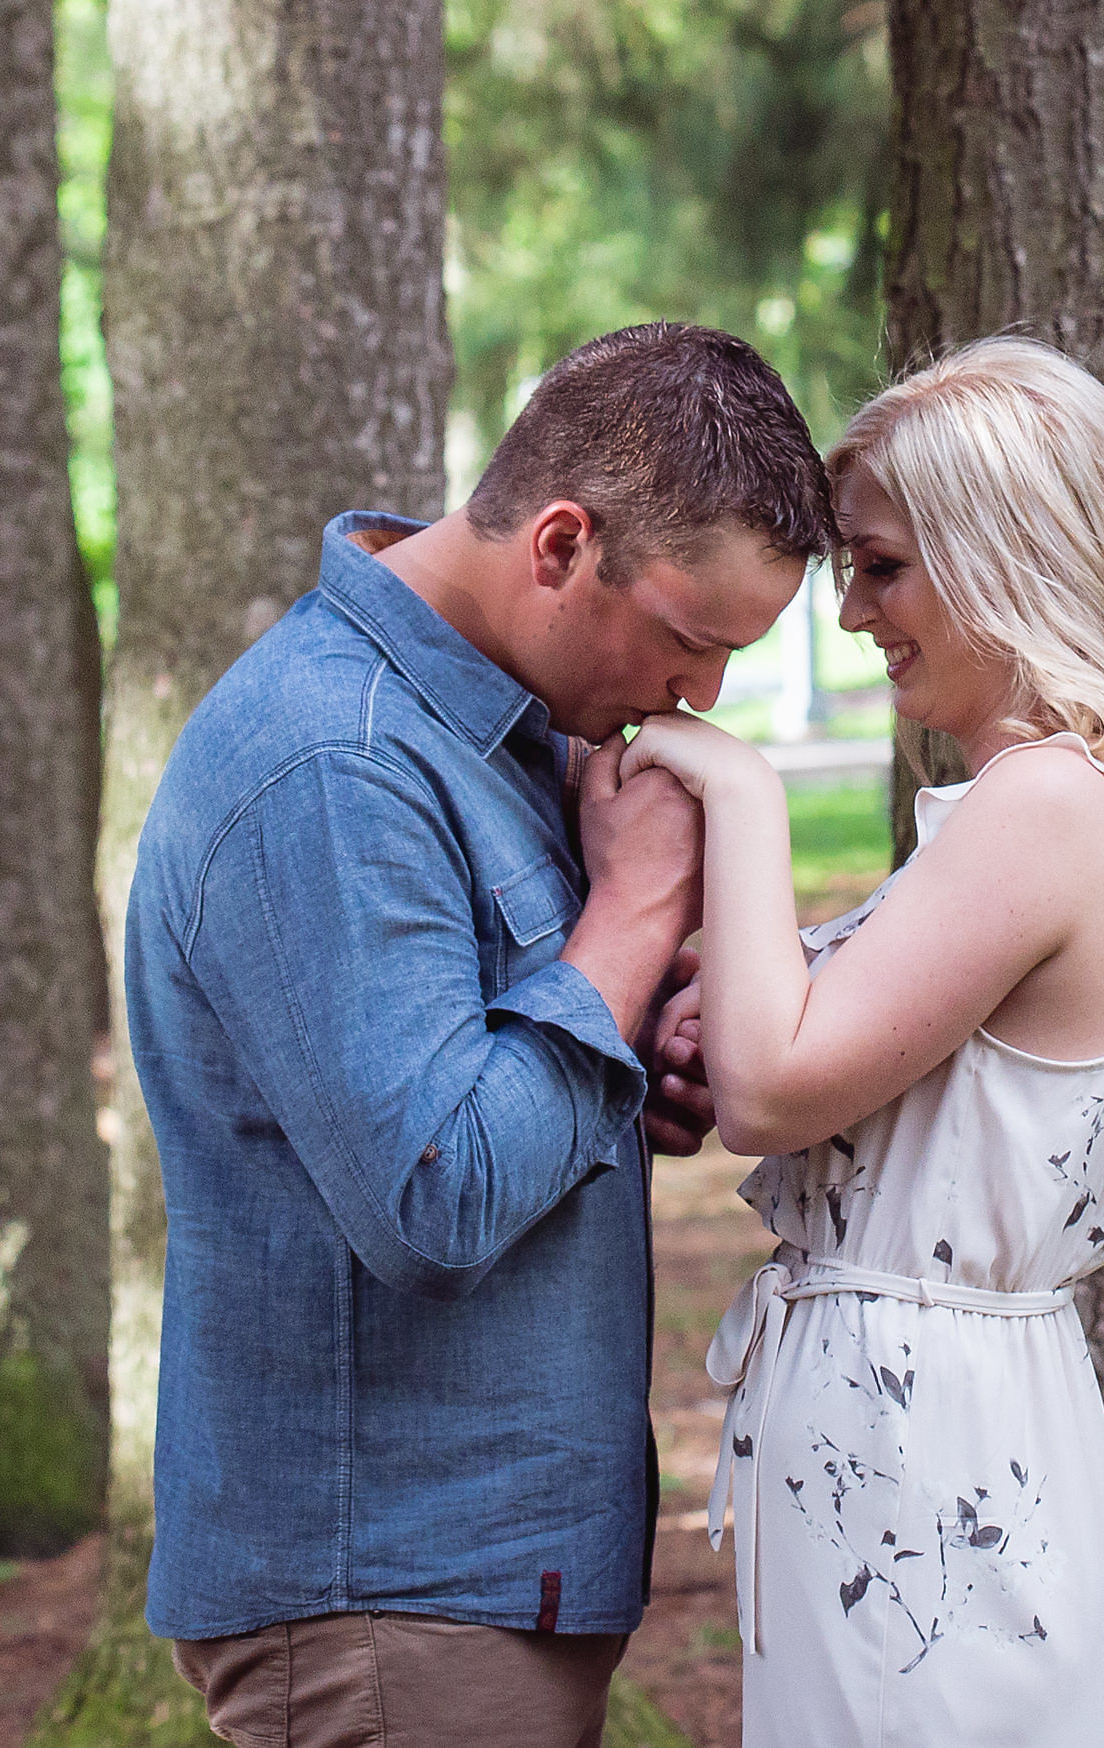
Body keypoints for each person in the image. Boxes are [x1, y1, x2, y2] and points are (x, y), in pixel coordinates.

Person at [123, 322, 834, 1748]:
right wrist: (629, 920)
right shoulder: (338, 763)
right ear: (561, 544)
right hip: (389, 1602)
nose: (700, 700)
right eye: (689, 642)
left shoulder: (499, 732)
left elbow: (434, 1087)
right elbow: (434, 1195)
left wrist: (614, 1063)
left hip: (470, 1585)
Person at [620, 336, 1104, 1744]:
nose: (853, 613)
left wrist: (738, 796)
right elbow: (846, 1054)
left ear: (1009, 557)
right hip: (949, 1423)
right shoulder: (1082, 804)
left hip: (924, 1446)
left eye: (881, 566)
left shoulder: (1045, 806)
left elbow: (775, 1089)